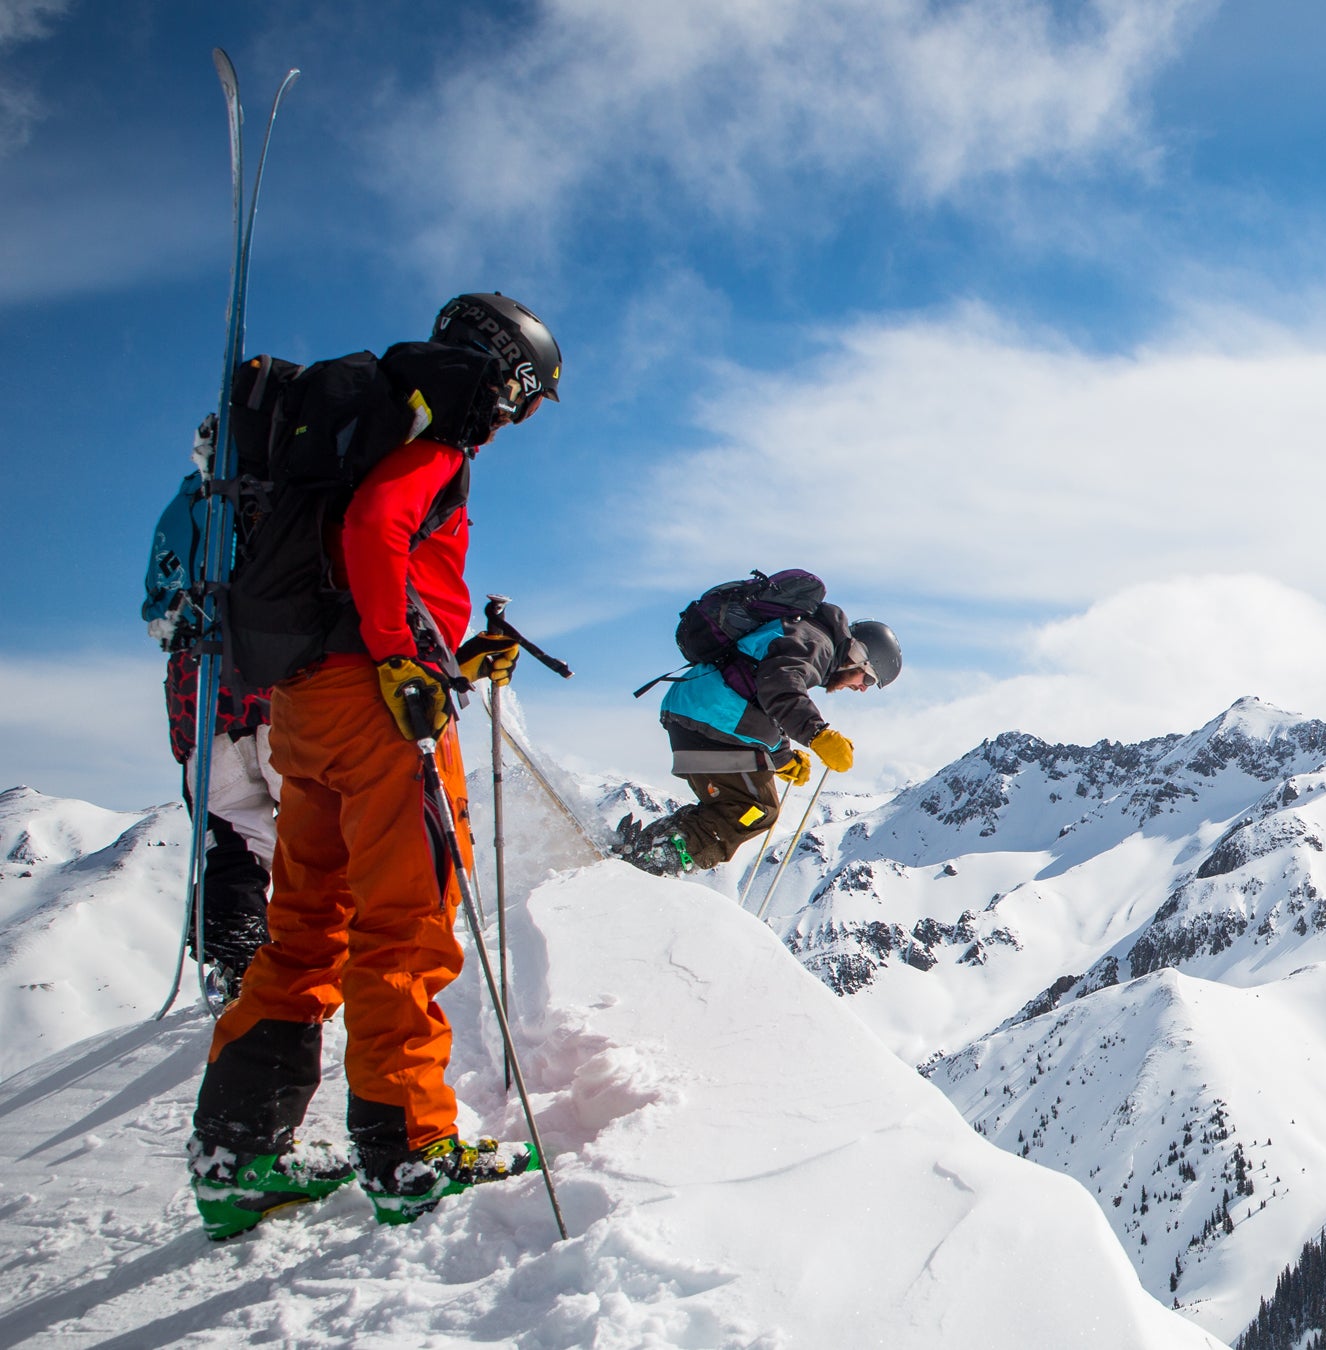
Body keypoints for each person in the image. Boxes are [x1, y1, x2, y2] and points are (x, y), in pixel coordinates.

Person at [187, 293, 557, 1239]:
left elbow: (361, 561)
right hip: (382, 710)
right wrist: (400, 656)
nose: (515, 421)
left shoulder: (362, 426)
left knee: (306, 923)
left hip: (305, 704)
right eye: (527, 399)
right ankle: (409, 1150)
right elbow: (375, 534)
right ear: (504, 373)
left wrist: (446, 657)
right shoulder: (436, 435)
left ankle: (238, 1153)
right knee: (406, 924)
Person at [615, 582, 900, 876]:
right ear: (859, 657)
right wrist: (818, 734)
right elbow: (779, 688)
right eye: (867, 680)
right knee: (756, 809)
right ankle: (652, 858)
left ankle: (647, 847)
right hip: (713, 716)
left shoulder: (803, 635)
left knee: (736, 806)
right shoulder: (818, 644)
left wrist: (782, 756)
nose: (861, 689)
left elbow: (761, 695)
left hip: (699, 709)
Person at [144, 459, 278, 1001]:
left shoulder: (184, 512)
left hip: (200, 698)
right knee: (315, 829)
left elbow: (158, 610)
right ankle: (321, 956)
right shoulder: (292, 498)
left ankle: (239, 963)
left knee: (232, 836)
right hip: (280, 687)